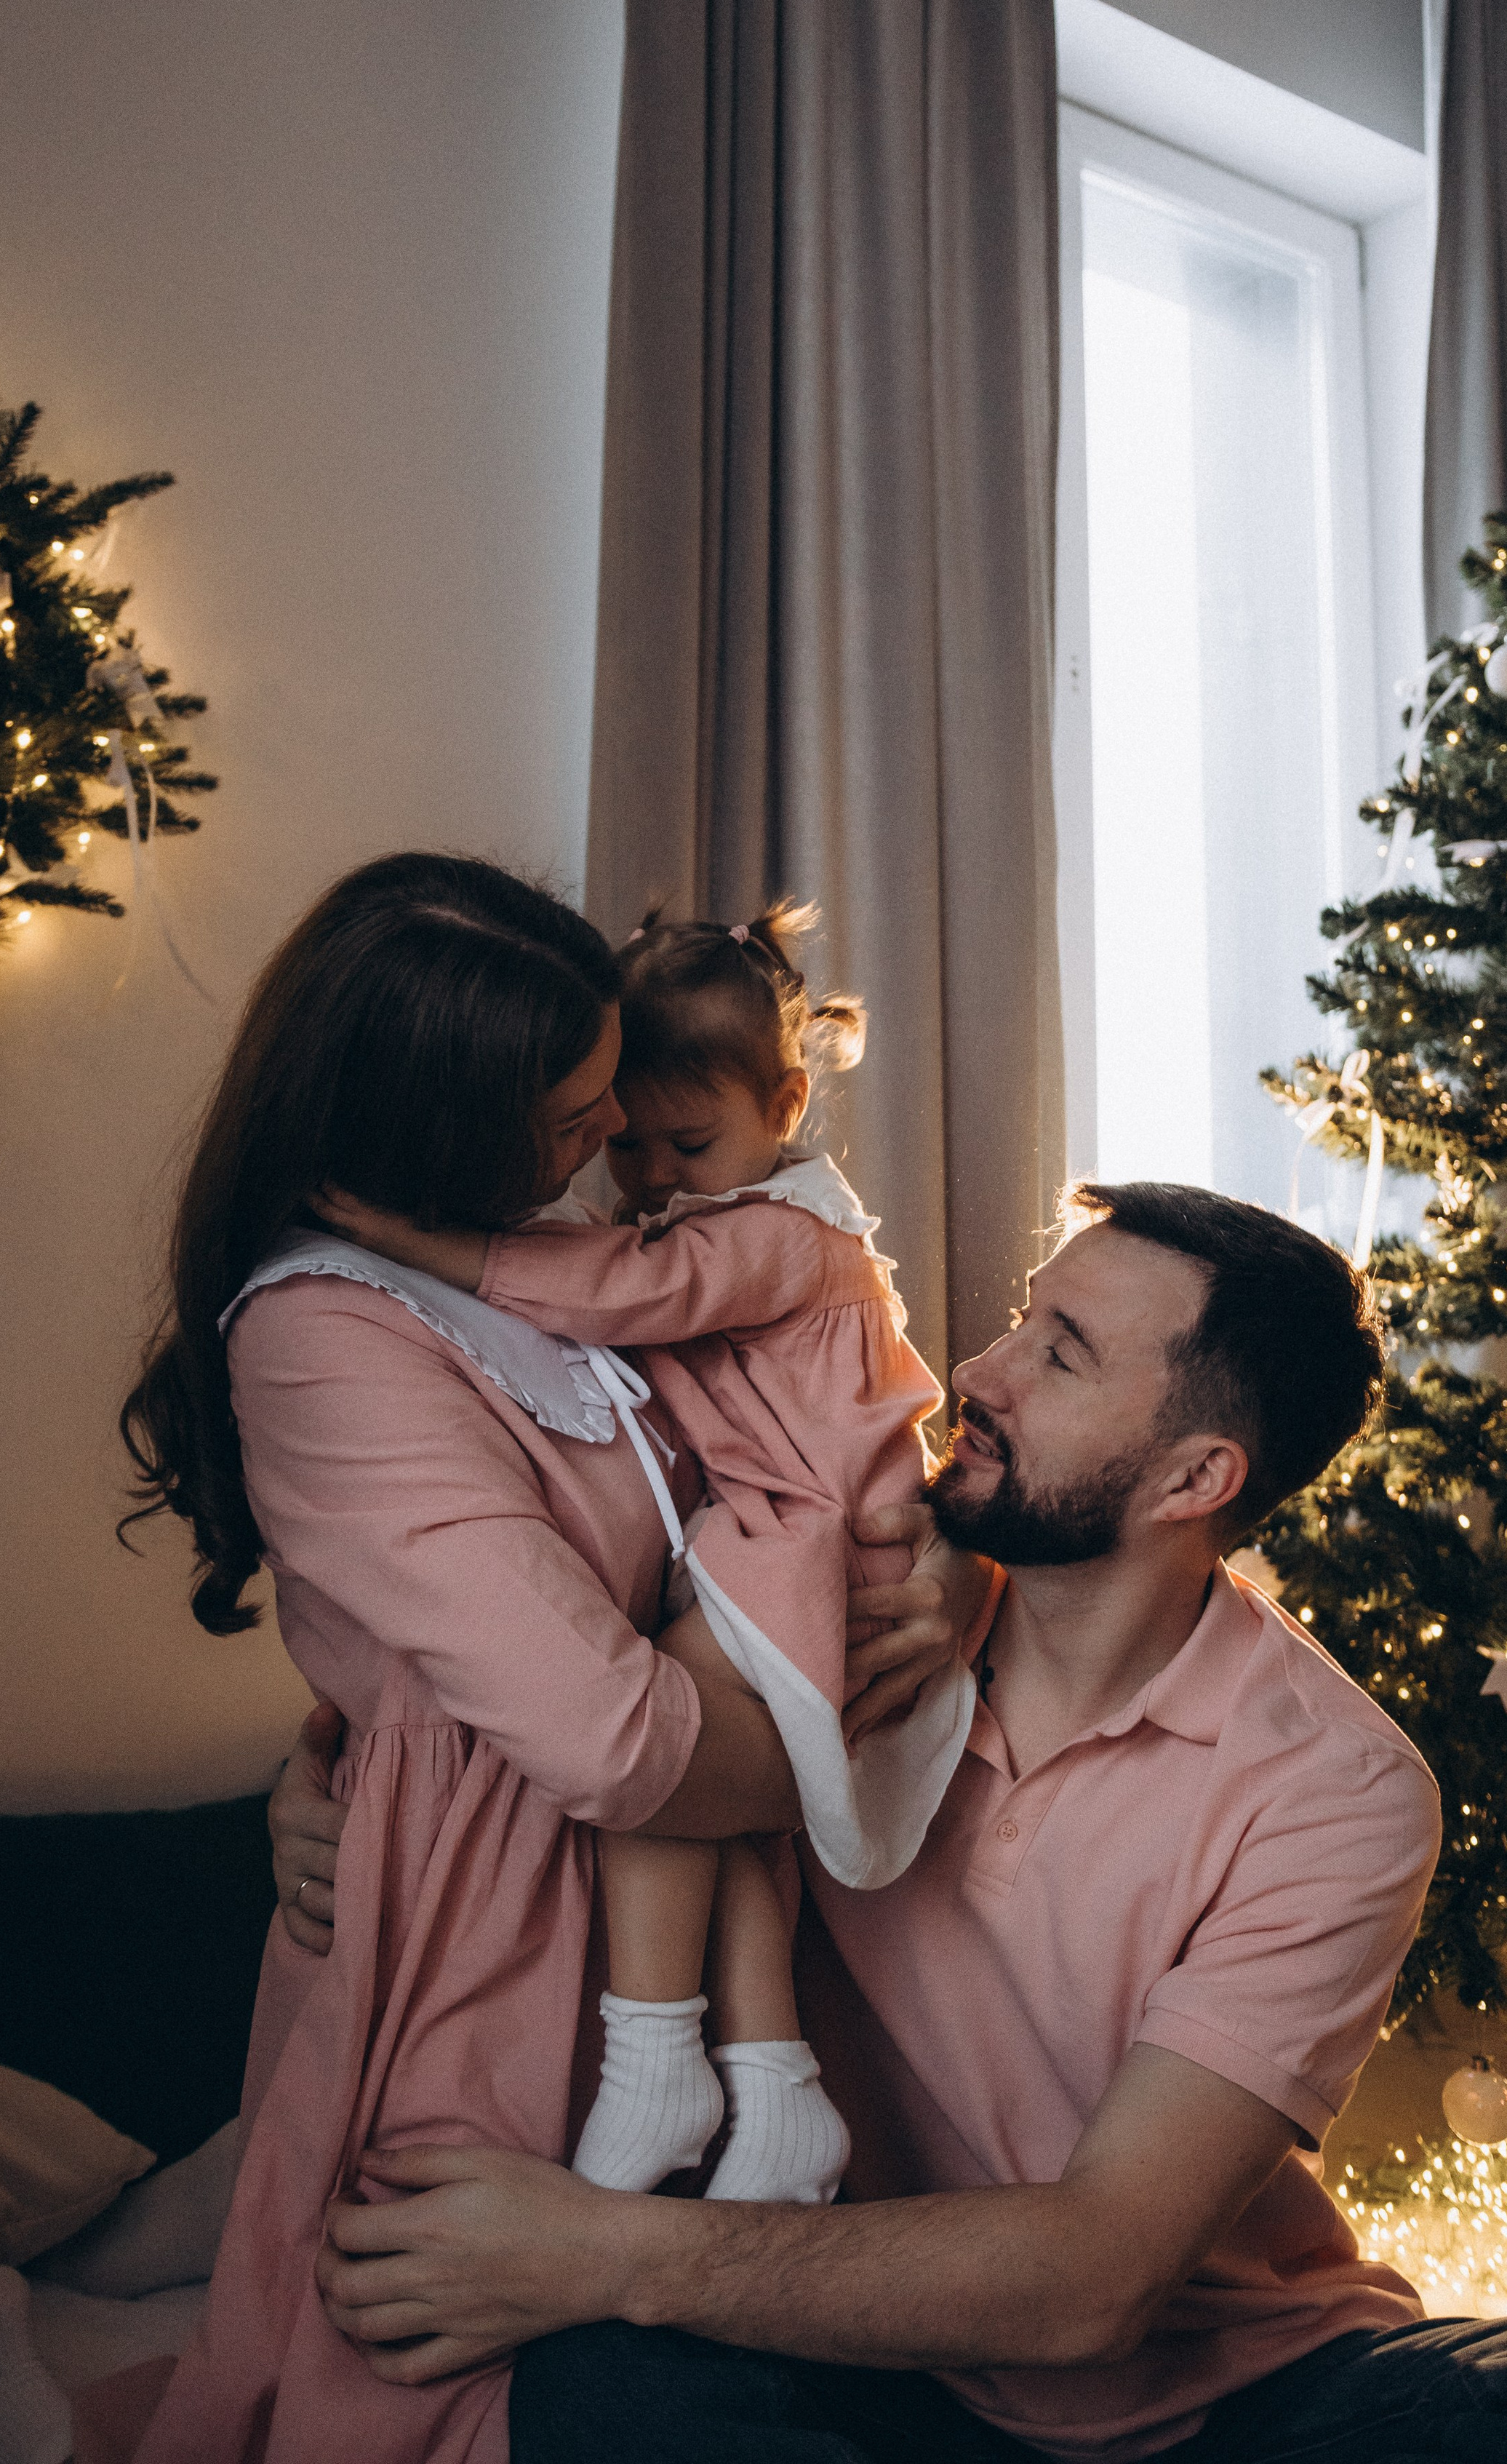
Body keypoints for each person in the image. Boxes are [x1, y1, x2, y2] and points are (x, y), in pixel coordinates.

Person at [272, 1181, 1507, 2458]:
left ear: (1196, 1478)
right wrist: (327, 1798)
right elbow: (571, 1728)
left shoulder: (1336, 1787)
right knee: (597, 2395)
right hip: (873, 2368)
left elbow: (1096, 2278)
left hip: (1248, 2398)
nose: (977, 1369)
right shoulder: (828, 1631)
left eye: (1059, 1354)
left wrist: (603, 2252)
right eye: (1021, 1317)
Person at [81, 853, 954, 2464]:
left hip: (684, 1889)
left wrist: (927, 1578)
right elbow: (610, 1738)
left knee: (730, 2345)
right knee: (443, 2381)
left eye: (610, 1102)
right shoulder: (322, 1332)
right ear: (433, 1133)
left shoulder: (566, 1255)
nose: (608, 1150)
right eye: (569, 1122)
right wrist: (860, 1742)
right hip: (486, 1921)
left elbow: (747, 1496)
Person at [319, 901, 983, 2212]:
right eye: (626, 1151)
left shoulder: (791, 1231)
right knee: (733, 1831)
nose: (656, 1180)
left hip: (828, 1542)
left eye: (689, 1144)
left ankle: (653, 2057)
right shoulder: (709, 1209)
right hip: (779, 1544)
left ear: (788, 1102)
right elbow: (612, 1262)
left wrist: (407, 1242)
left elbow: (624, 1290)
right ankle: (774, 2084)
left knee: (666, 1750)